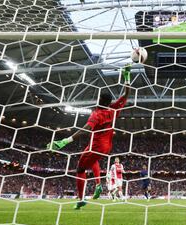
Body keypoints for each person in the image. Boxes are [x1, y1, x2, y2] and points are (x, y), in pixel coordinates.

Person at [47, 64, 132, 209]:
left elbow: (86, 129)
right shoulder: (113, 109)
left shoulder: (97, 114)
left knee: (80, 169)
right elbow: (126, 95)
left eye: (99, 97)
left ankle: (81, 199)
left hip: (96, 145)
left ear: (101, 100)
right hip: (106, 146)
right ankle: (98, 184)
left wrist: (66, 140)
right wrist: (127, 77)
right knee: (90, 157)